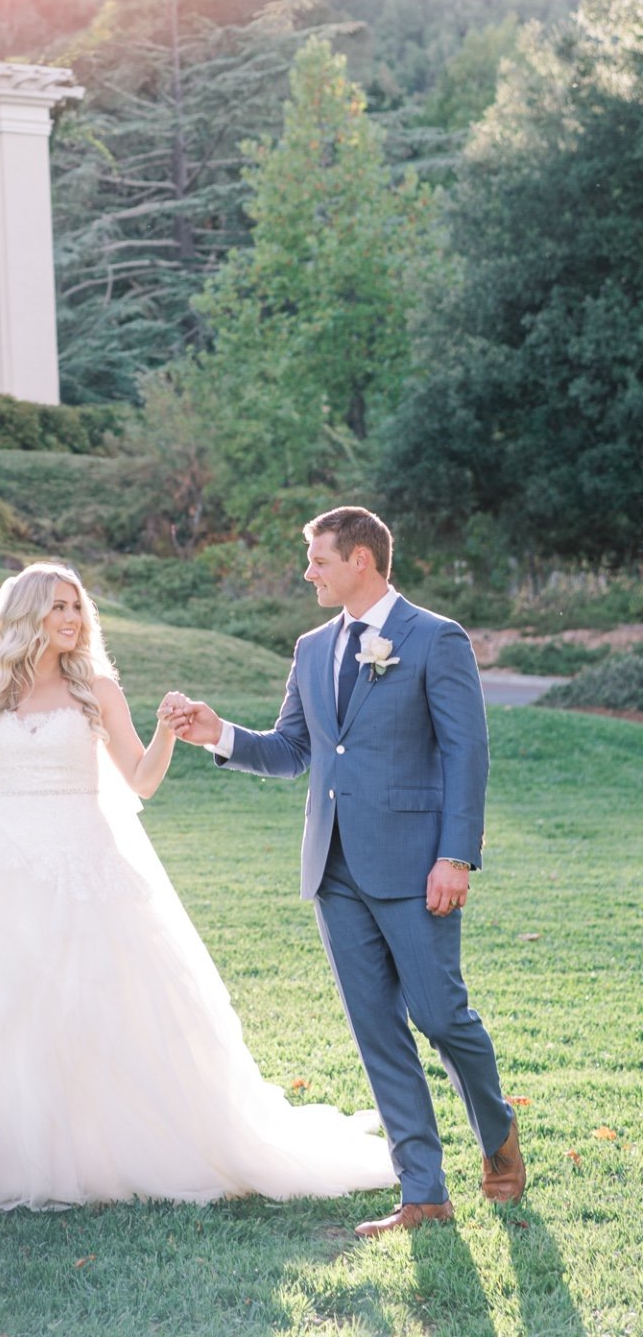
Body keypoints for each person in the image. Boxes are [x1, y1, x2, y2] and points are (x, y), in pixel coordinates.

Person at [0, 560, 395, 1214]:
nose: (69, 619)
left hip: (85, 863)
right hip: (2, 861)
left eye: (76, 608)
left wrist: (168, 734)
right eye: (57, 607)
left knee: (96, 1011)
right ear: (28, 615)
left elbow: (140, 779)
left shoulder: (96, 689)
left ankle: (97, 1154)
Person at [167, 507, 526, 1237]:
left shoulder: (436, 639)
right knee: (377, 1032)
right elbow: (295, 749)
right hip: (333, 869)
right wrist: (220, 734)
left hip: (417, 866)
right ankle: (424, 1193)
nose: (309, 573)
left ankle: (497, 1131)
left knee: (440, 1017)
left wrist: (455, 857)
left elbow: (468, 756)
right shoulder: (309, 648)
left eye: (319, 560)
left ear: (362, 559)